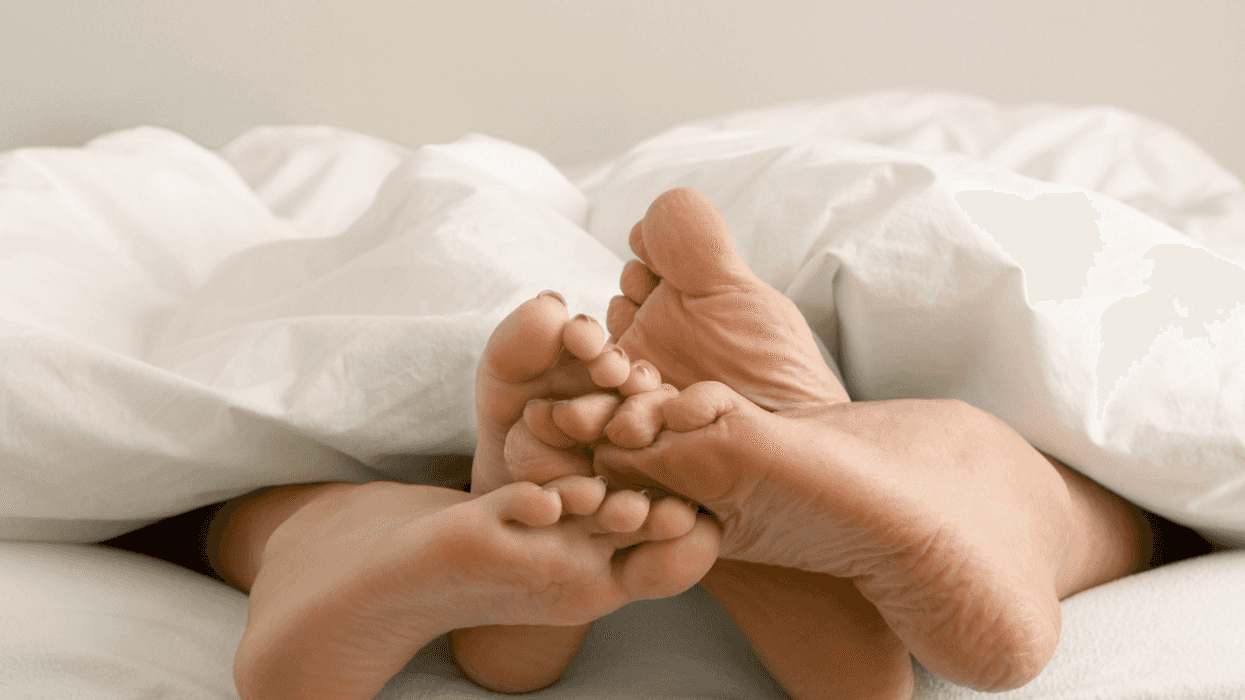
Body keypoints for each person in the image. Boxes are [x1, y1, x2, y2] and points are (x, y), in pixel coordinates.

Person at [193, 188, 1196, 700]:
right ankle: (968, 482)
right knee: (1128, 484)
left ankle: (329, 537)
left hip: (370, 385)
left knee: (232, 480)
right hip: (951, 407)